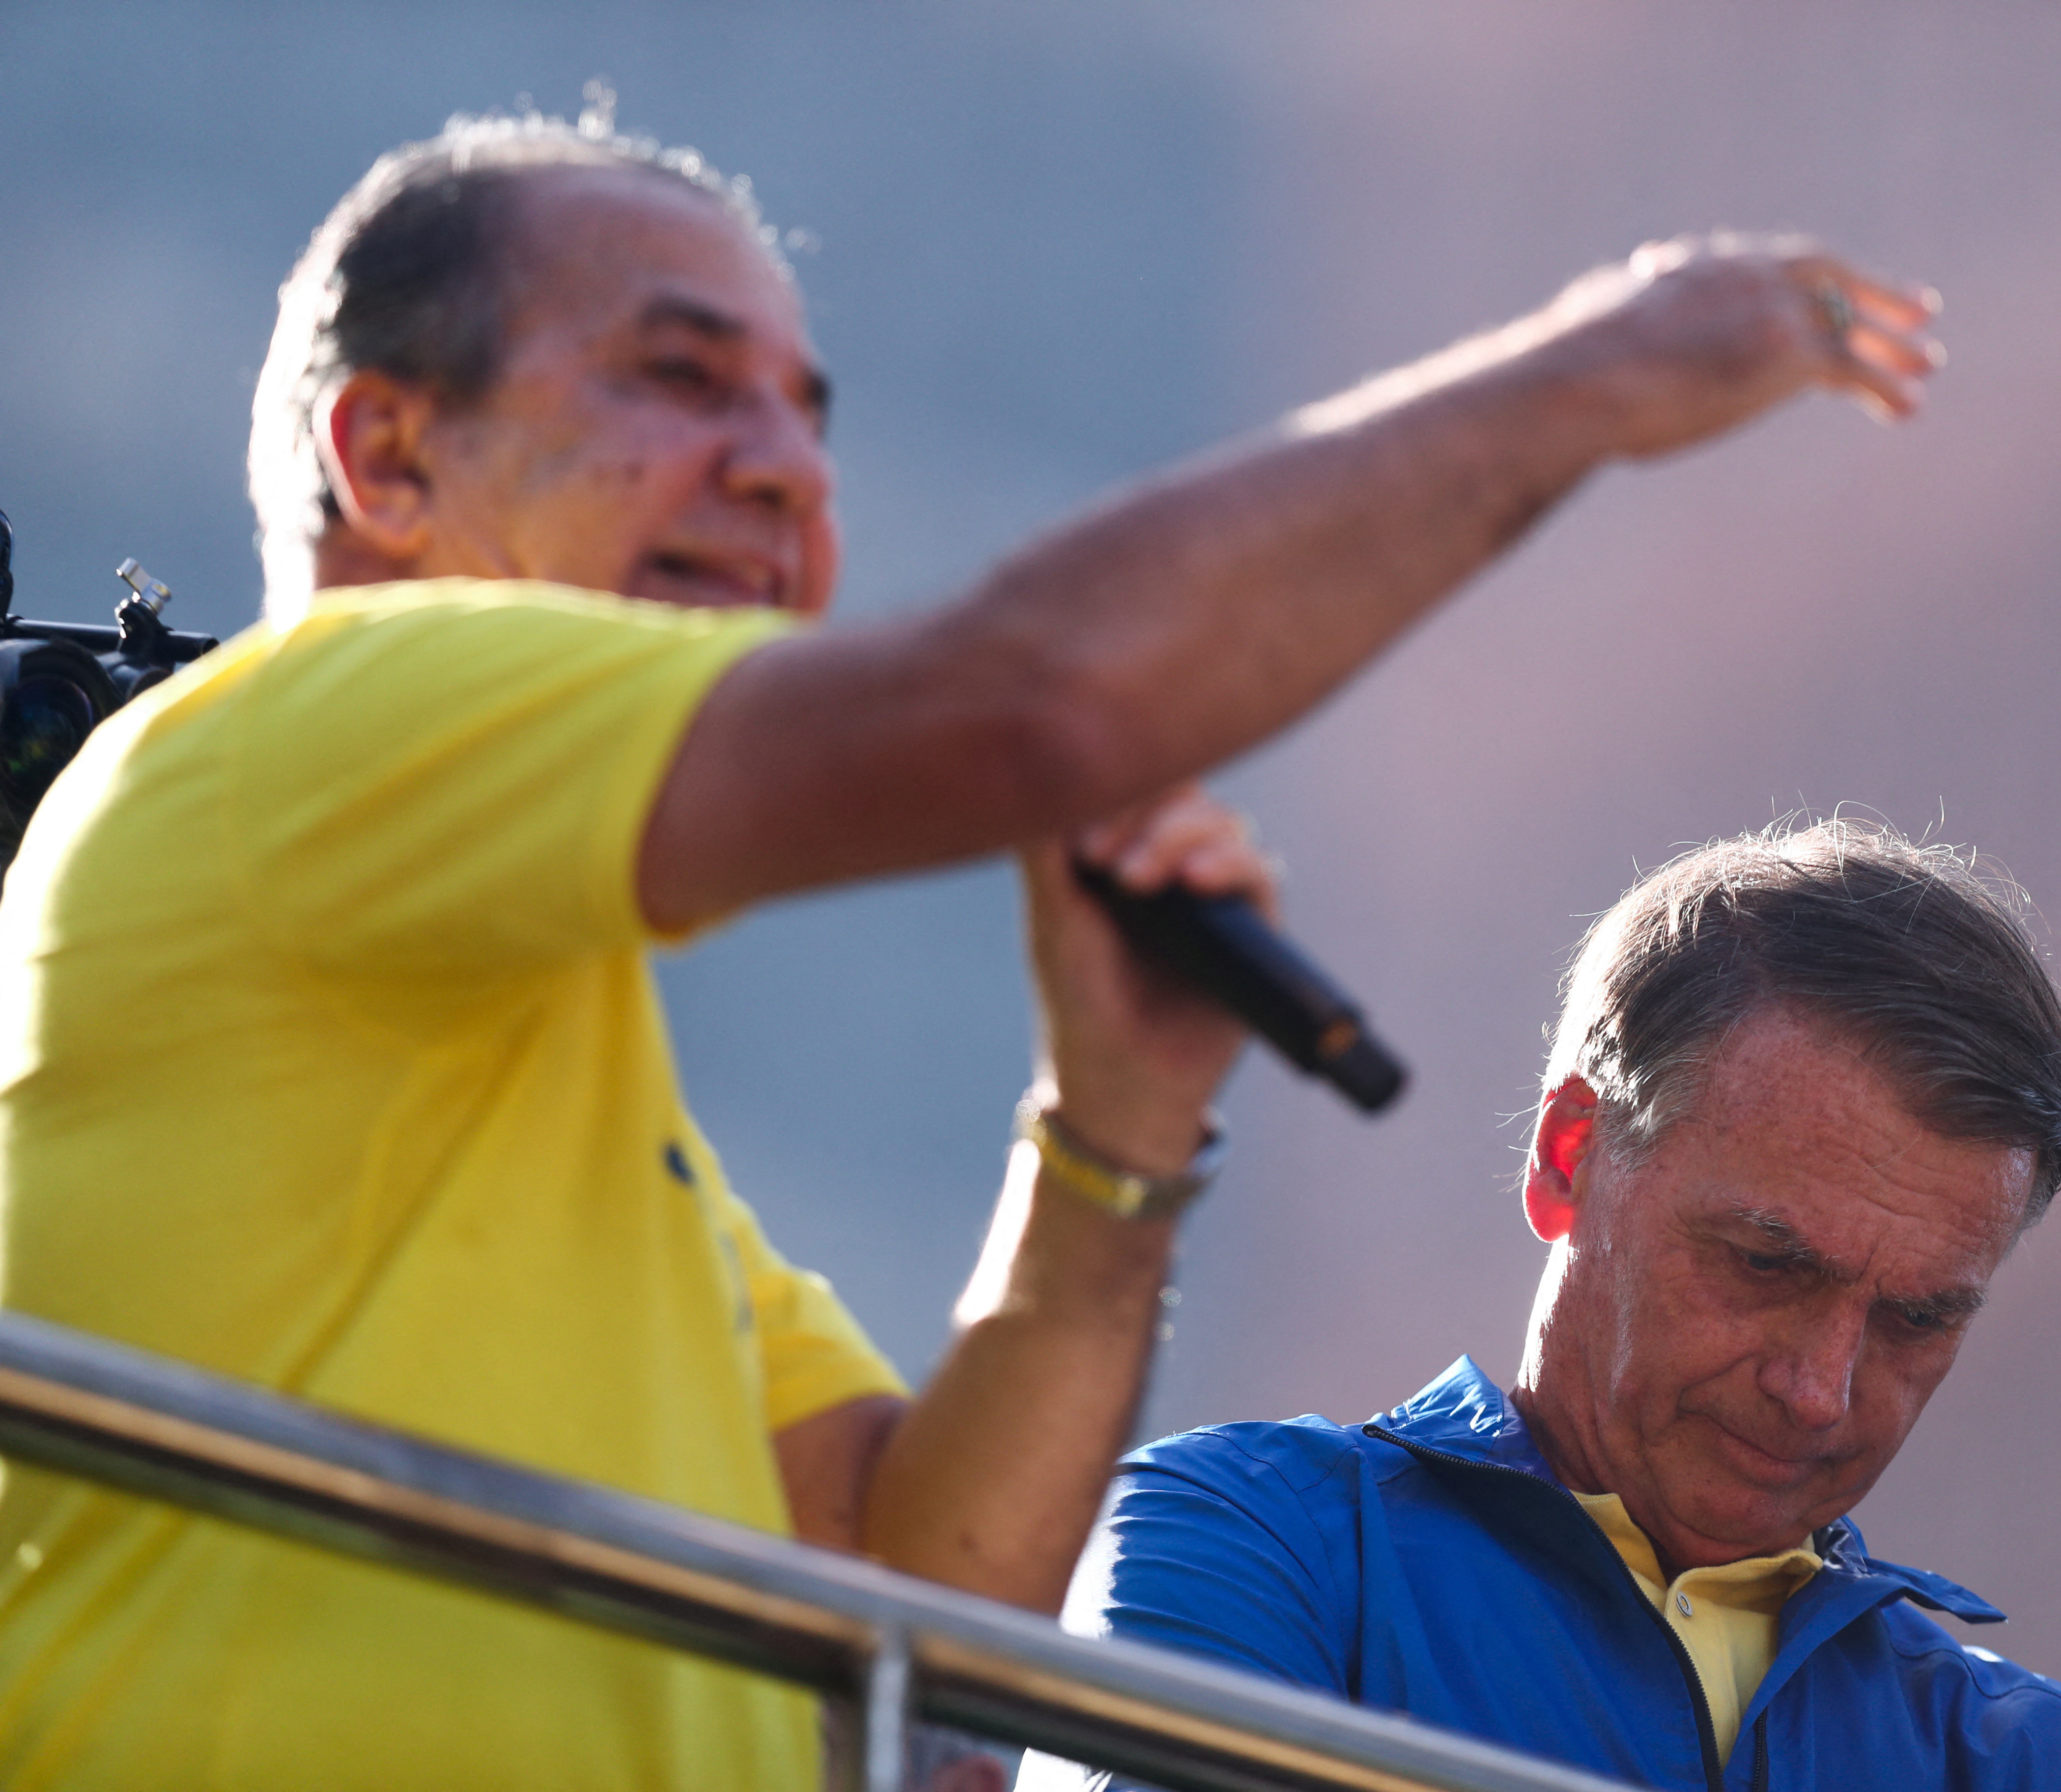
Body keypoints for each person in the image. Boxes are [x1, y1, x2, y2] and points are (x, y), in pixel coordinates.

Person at [0, 102, 1939, 1791]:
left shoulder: (545, 1109)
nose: (785, 469)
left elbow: (916, 1609)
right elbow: (1041, 703)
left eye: (805, 414)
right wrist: (1597, 376)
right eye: (682, 380)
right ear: (387, 457)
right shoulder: (307, 722)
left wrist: (1115, 1128)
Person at [1071, 820, 2061, 1792]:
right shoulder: (1245, 1536)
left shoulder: (2038, 1763)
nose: (1820, 1391)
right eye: (1766, 1264)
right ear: (1565, 1159)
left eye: (1918, 1319)